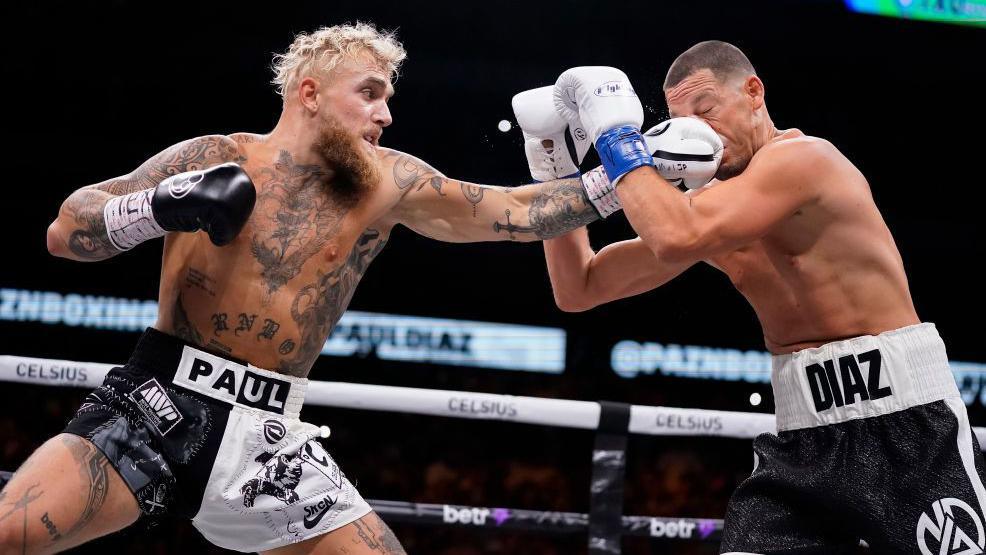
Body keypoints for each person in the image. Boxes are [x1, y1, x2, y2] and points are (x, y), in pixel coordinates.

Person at [0, 23, 604, 555]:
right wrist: (159, 206)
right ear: (309, 94)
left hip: (273, 441)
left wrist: (630, 169)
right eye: (368, 93)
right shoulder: (220, 156)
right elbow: (67, 227)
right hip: (157, 403)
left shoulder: (390, 181)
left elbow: (516, 214)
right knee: (9, 534)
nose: (385, 114)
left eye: (388, 98)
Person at [531, 42, 986, 553]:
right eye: (684, 122)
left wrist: (614, 136)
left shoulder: (804, 161)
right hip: (800, 442)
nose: (699, 131)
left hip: (906, 427)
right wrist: (555, 170)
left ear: (753, 93)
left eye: (706, 112)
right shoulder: (709, 213)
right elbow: (580, 288)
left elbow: (675, 233)